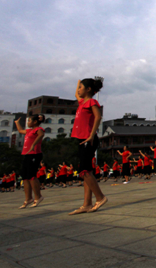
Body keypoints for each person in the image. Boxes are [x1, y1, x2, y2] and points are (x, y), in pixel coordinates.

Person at [69, 77, 107, 215]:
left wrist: (91, 135)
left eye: (81, 87)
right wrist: (78, 82)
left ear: (88, 89)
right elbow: (76, 94)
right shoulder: (81, 103)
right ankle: (86, 204)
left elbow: (98, 117)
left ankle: (100, 197)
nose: (79, 90)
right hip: (82, 139)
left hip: (88, 139)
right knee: (85, 172)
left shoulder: (91, 101)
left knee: (84, 170)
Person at [15, 115, 46, 208]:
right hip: (26, 154)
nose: (28, 122)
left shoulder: (39, 129)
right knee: (24, 177)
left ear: (35, 122)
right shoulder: (29, 131)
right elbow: (20, 131)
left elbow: (41, 135)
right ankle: (28, 198)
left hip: (34, 154)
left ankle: (38, 196)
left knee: (31, 176)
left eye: (29, 121)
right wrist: (17, 123)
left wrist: (33, 144)